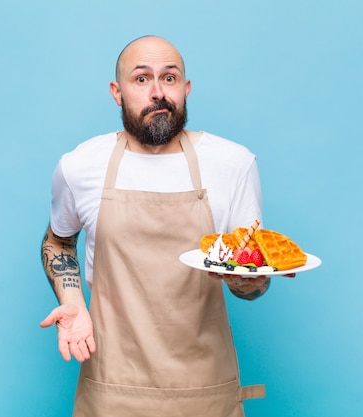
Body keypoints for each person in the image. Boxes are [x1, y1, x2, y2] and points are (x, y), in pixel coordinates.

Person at [40, 35, 273, 417]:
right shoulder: (80, 166)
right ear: (117, 92)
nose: (157, 93)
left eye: (169, 78)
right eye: (141, 79)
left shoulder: (234, 163)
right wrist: (72, 303)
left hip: (205, 391)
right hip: (112, 389)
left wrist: (249, 281)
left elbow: (251, 277)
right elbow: (58, 242)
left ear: (186, 88)